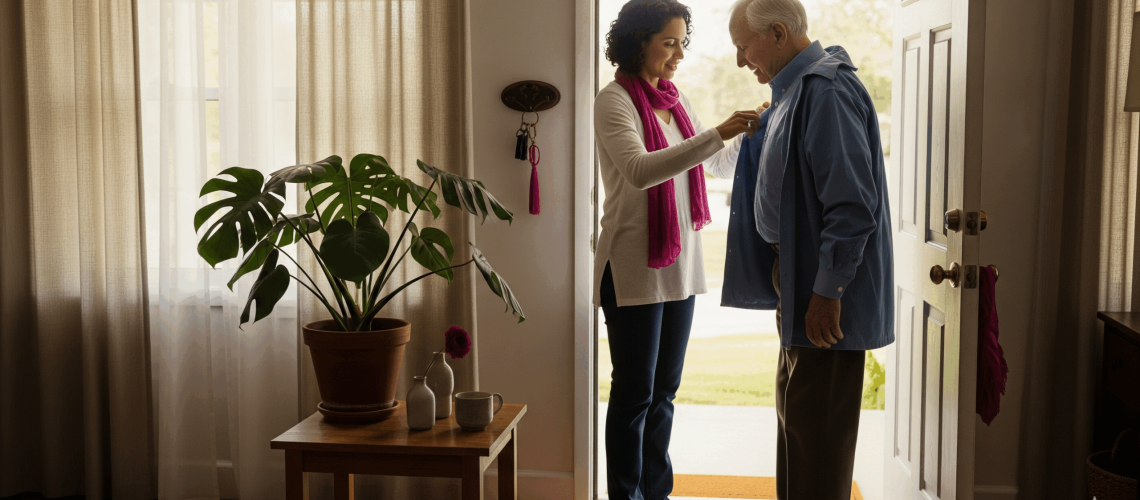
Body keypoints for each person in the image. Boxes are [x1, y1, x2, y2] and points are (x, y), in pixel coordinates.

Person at [716, 0, 895, 498]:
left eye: (742, 46)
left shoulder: (826, 92)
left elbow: (853, 206)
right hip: (797, 280)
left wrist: (828, 291)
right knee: (799, 424)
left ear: (777, 33)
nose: (738, 60)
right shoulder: (794, 93)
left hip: (821, 291)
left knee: (817, 439)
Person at [592, 1, 762, 498]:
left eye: (683, 42)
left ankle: (656, 493)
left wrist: (753, 131)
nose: (679, 54)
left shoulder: (675, 98)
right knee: (634, 396)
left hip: (680, 267)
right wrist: (720, 131)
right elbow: (643, 170)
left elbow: (714, 164)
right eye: (670, 43)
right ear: (637, 41)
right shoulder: (613, 101)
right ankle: (627, 494)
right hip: (632, 269)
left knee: (664, 394)